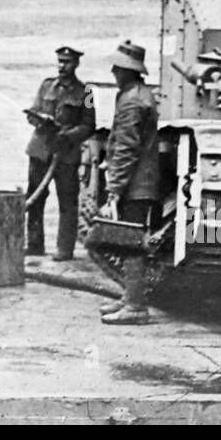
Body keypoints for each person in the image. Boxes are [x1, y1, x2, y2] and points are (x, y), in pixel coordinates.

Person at [98, 40, 161, 325]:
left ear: (127, 70)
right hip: (141, 182)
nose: (113, 71)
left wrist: (113, 190)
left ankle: (135, 306)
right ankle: (130, 296)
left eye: (117, 67)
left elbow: (126, 149)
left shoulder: (132, 101)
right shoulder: (138, 94)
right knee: (129, 242)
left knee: (130, 243)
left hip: (135, 185)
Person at [24, 45, 95, 260]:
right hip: (41, 150)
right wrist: (39, 120)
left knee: (67, 201)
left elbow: (88, 126)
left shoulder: (87, 93)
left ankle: (65, 249)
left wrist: (67, 135)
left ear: (76, 64)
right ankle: (35, 244)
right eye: (60, 62)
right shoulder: (46, 86)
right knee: (35, 197)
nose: (62, 67)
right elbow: (32, 113)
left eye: (67, 62)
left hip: (66, 154)